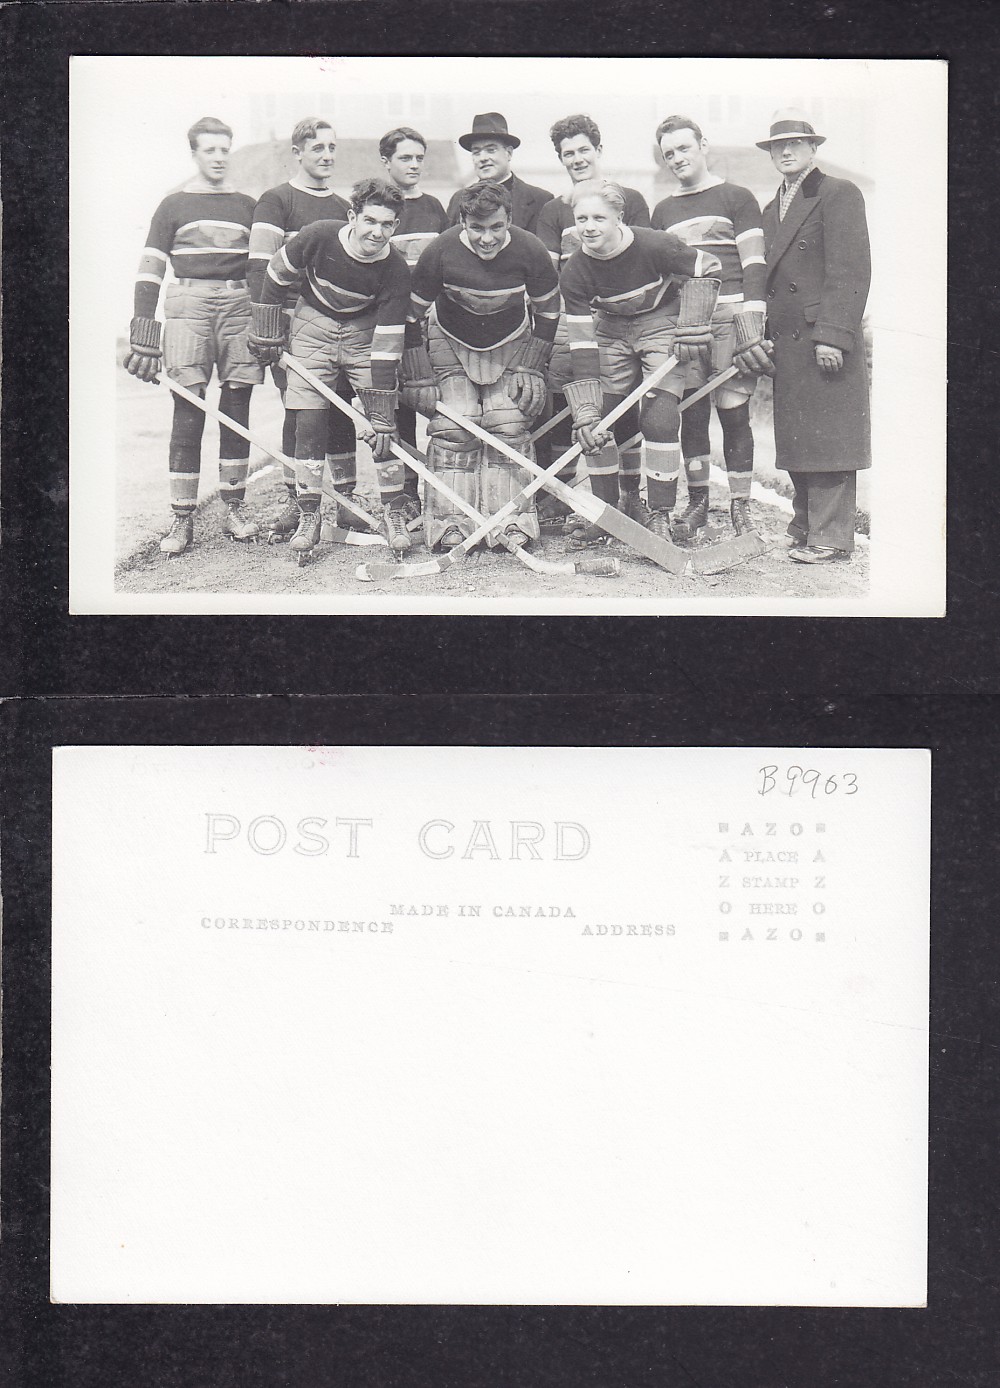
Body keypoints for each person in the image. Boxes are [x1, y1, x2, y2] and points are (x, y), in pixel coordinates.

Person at [249, 178, 414, 555]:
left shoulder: (395, 268)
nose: (377, 232)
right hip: (312, 326)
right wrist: (268, 330)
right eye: (370, 221)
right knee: (308, 420)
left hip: (362, 332)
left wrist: (381, 407)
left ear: (396, 227)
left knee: (386, 423)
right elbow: (275, 276)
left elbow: (388, 340)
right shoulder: (320, 235)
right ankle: (310, 514)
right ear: (353, 216)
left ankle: (394, 511)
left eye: (387, 225)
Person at [123, 116, 263, 556]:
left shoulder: (247, 204)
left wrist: (267, 322)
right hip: (188, 307)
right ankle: (181, 518)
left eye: (225, 149)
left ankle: (234, 509)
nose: (219, 157)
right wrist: (144, 334)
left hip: (238, 306)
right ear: (195, 154)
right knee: (189, 405)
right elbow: (150, 267)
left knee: (236, 405)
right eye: (210, 150)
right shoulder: (173, 205)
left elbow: (261, 268)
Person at [558, 180, 721, 544]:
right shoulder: (575, 270)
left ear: (619, 216)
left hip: (660, 323)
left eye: (599, 217)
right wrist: (587, 408)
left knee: (660, 417)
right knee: (600, 420)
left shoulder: (654, 244)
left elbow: (708, 266)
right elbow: (583, 343)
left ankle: (660, 515)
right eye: (581, 218)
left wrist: (694, 320)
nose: (589, 226)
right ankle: (609, 512)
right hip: (612, 330)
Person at [405, 182, 560, 551]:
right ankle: (449, 523)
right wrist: (419, 375)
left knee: (508, 423)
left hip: (512, 343)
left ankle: (512, 521)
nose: (487, 238)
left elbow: (549, 312)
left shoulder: (530, 250)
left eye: (496, 227)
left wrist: (531, 367)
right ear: (461, 221)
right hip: (450, 340)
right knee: (455, 425)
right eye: (476, 228)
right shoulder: (441, 250)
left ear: (510, 220)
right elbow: (410, 317)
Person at [758, 109, 871, 564]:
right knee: (801, 437)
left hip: (823, 339)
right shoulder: (771, 208)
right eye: (777, 146)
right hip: (788, 341)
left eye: (795, 144)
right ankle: (804, 526)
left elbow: (851, 270)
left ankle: (831, 538)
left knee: (830, 438)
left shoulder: (838, 193)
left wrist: (833, 335)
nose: (786, 151)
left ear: (813, 148)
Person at [652, 115, 772, 539]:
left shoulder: (737, 197)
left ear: (703, 145)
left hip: (733, 316)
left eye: (684, 148)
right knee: (693, 415)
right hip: (689, 324)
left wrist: (752, 322)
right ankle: (698, 502)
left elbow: (755, 262)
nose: (677, 158)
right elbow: (665, 276)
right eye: (669, 153)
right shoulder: (663, 210)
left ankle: (741, 507)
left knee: (734, 413)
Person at [534, 115, 651, 530]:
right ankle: (566, 497)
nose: (578, 159)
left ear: (599, 151)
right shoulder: (553, 209)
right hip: (574, 317)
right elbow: (548, 277)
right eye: (569, 153)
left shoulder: (629, 199)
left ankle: (630, 495)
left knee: (623, 407)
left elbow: (642, 259)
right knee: (572, 404)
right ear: (561, 159)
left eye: (585, 150)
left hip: (621, 320)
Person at [247, 118, 355, 542]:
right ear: (298, 152)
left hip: (334, 322)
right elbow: (259, 267)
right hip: (288, 321)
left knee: (341, 403)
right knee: (300, 409)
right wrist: (267, 327)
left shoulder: (343, 206)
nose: (326, 155)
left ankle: (345, 504)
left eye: (332, 148)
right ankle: (298, 505)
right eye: (317, 148)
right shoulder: (276, 200)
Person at [379, 125, 451, 516]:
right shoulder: (379, 206)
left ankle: (443, 490)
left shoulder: (434, 208)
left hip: (429, 322)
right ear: (386, 161)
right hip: (390, 319)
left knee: (433, 403)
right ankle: (405, 494)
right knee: (398, 409)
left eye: (419, 158)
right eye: (405, 158)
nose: (414, 165)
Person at [446, 113, 552, 235]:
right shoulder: (458, 199)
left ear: (509, 153)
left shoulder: (540, 200)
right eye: (476, 152)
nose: (483, 158)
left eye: (491, 150)